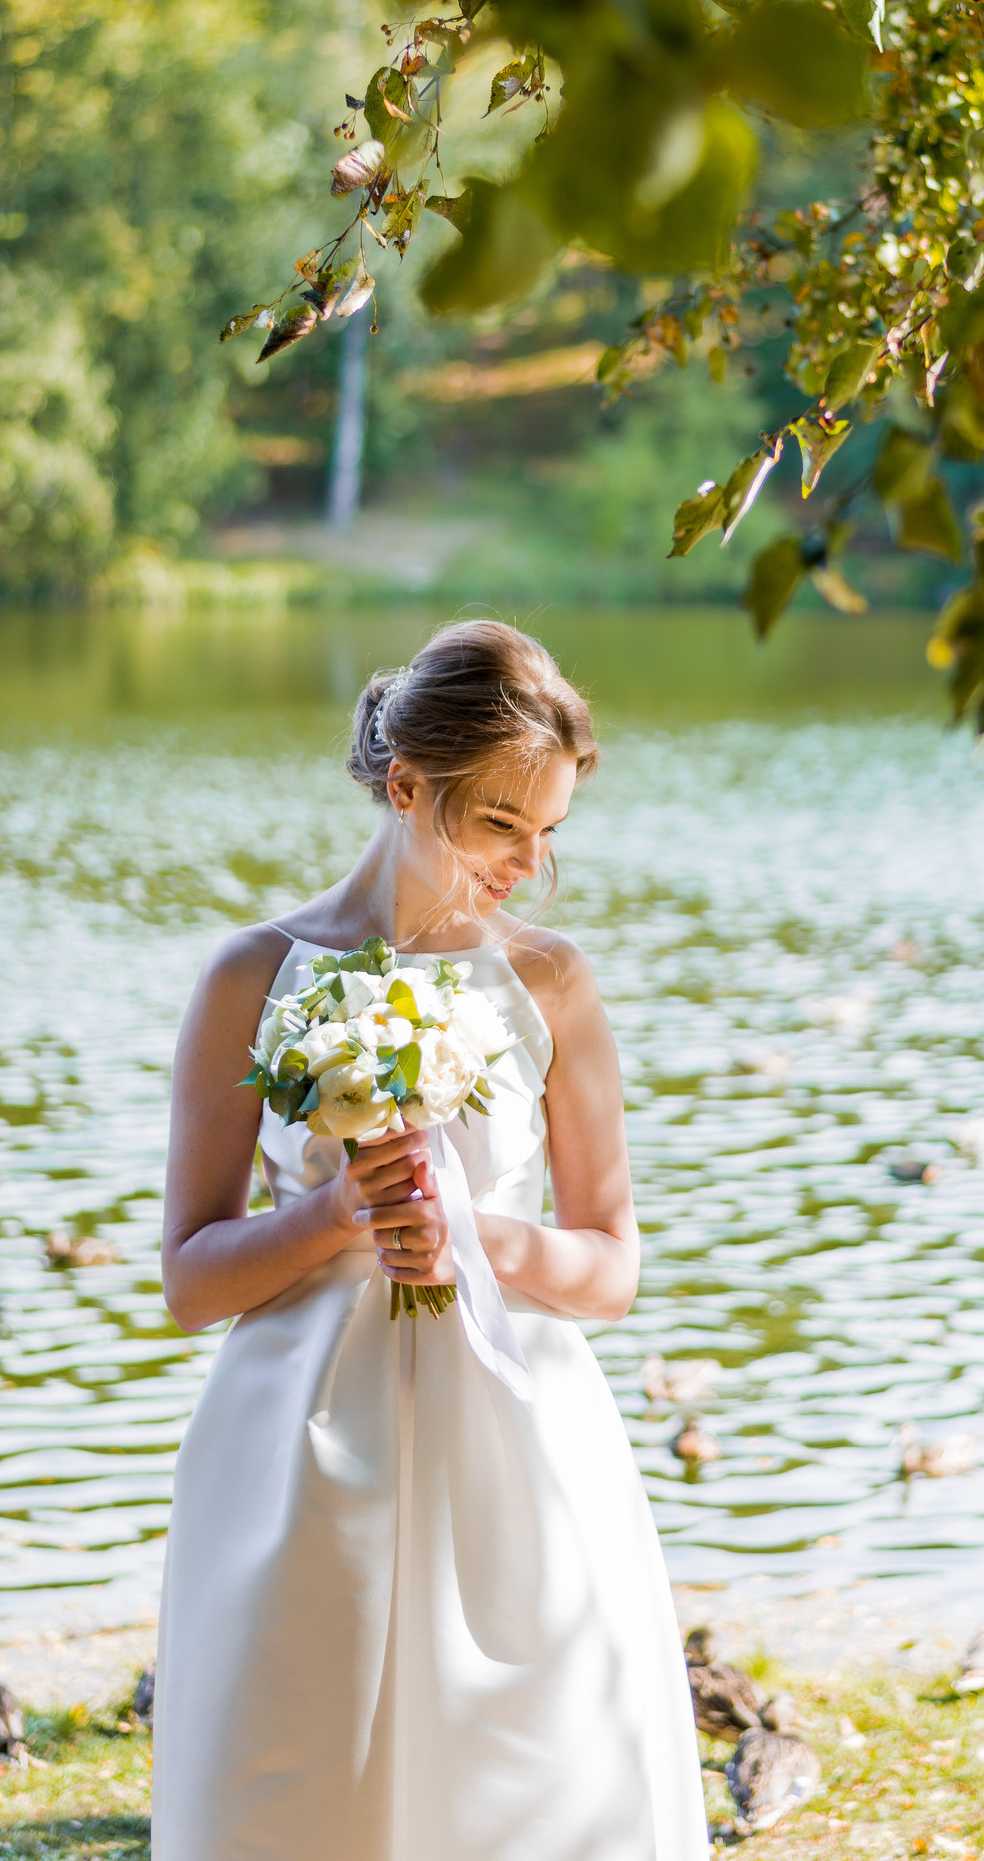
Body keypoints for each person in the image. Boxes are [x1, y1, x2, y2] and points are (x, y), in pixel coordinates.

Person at [152, 619, 706, 1861]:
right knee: (298, 1780)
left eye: (549, 829)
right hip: (299, 1445)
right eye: (501, 823)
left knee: (527, 1782)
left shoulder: (551, 982)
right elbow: (191, 1278)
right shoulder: (254, 976)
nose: (529, 863)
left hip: (515, 1424)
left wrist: (479, 1235)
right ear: (407, 786)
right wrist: (336, 1212)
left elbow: (611, 1266)